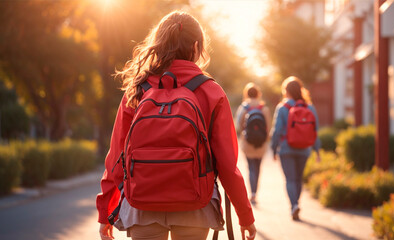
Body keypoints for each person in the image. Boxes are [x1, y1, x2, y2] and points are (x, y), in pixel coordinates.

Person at [96, 11, 256, 240]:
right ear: (197, 46)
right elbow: (227, 165)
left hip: (142, 205)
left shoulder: (137, 91)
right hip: (195, 205)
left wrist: (105, 213)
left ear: (159, 43)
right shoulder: (211, 92)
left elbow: (116, 159)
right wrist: (245, 216)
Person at [270, 76, 321, 221]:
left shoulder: (282, 107)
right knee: (298, 179)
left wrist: (274, 149)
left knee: (290, 180)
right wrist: (317, 150)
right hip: (304, 149)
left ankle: (294, 205)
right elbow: (315, 130)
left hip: (286, 149)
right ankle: (296, 204)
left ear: (286, 91)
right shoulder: (309, 107)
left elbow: (277, 130)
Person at [235, 82, 271, 205]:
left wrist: (245, 134)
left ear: (246, 94)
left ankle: (253, 194)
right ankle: (255, 191)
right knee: (258, 167)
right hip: (261, 143)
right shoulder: (264, 108)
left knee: (251, 167)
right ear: (258, 94)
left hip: (248, 143)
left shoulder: (243, 108)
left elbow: (238, 125)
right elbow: (269, 126)